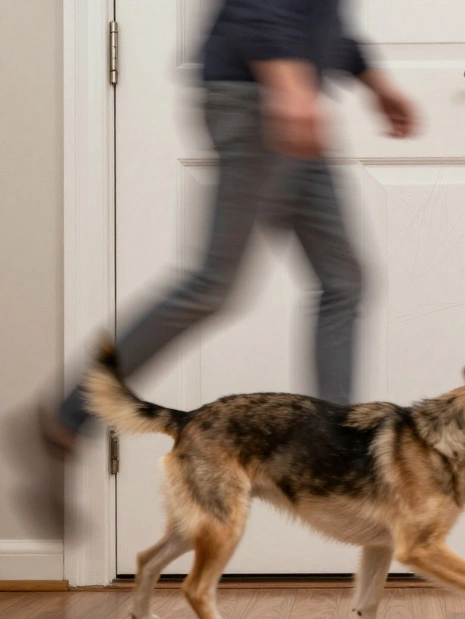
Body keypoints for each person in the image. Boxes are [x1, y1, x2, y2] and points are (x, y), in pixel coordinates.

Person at [40, 0, 417, 455]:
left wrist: (375, 83)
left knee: (343, 280)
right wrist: (289, 87)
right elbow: (256, 6)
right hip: (257, 99)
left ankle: (333, 444)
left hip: (279, 94)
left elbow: (321, 15)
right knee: (212, 284)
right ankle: (67, 415)